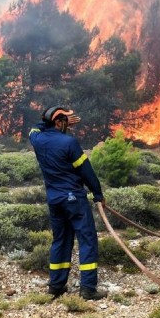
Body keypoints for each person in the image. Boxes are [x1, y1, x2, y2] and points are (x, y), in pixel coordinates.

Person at [29, 106, 107, 301]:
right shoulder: (69, 142)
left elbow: (35, 128)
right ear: (58, 122)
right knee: (87, 239)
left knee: (61, 240)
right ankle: (88, 288)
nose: (68, 126)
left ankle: (56, 286)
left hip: (54, 200)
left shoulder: (37, 139)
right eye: (65, 122)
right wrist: (98, 193)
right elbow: (86, 171)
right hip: (74, 199)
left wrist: (51, 118)